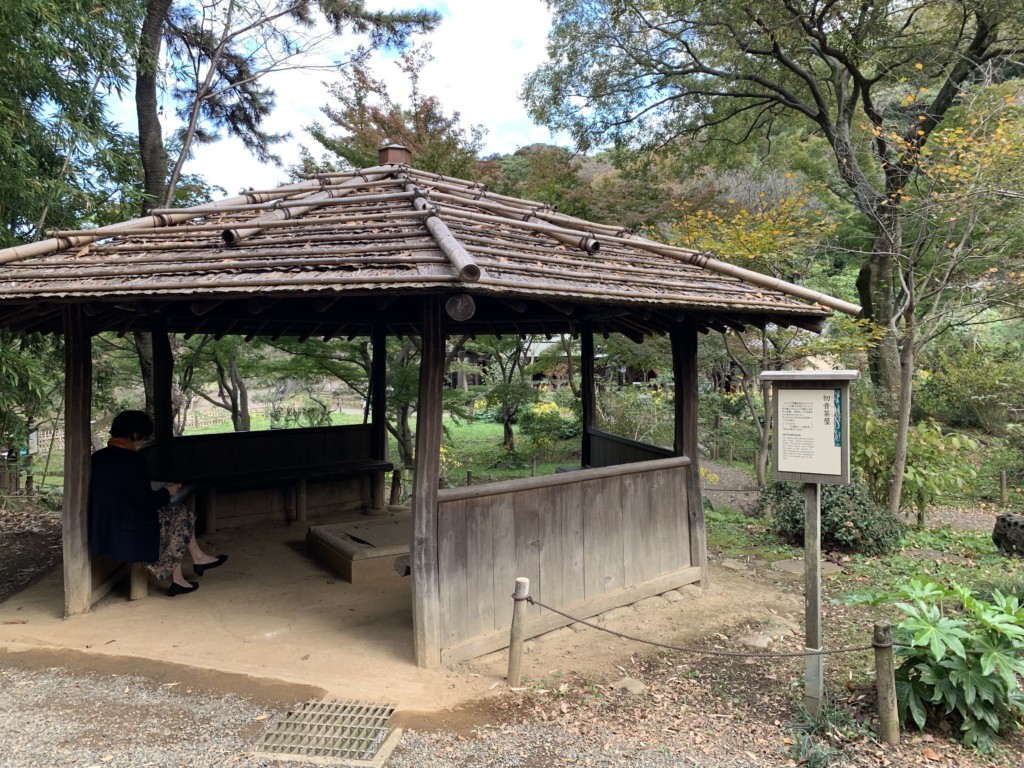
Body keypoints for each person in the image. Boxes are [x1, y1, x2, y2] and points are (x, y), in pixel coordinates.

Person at [89, 410, 227, 597]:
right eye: (144, 437)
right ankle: (190, 566)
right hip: (127, 530)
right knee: (179, 515)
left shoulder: (98, 457)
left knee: (178, 513)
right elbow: (146, 500)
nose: (144, 441)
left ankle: (188, 569)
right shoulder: (133, 460)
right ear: (136, 434)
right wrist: (167, 492)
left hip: (105, 526)